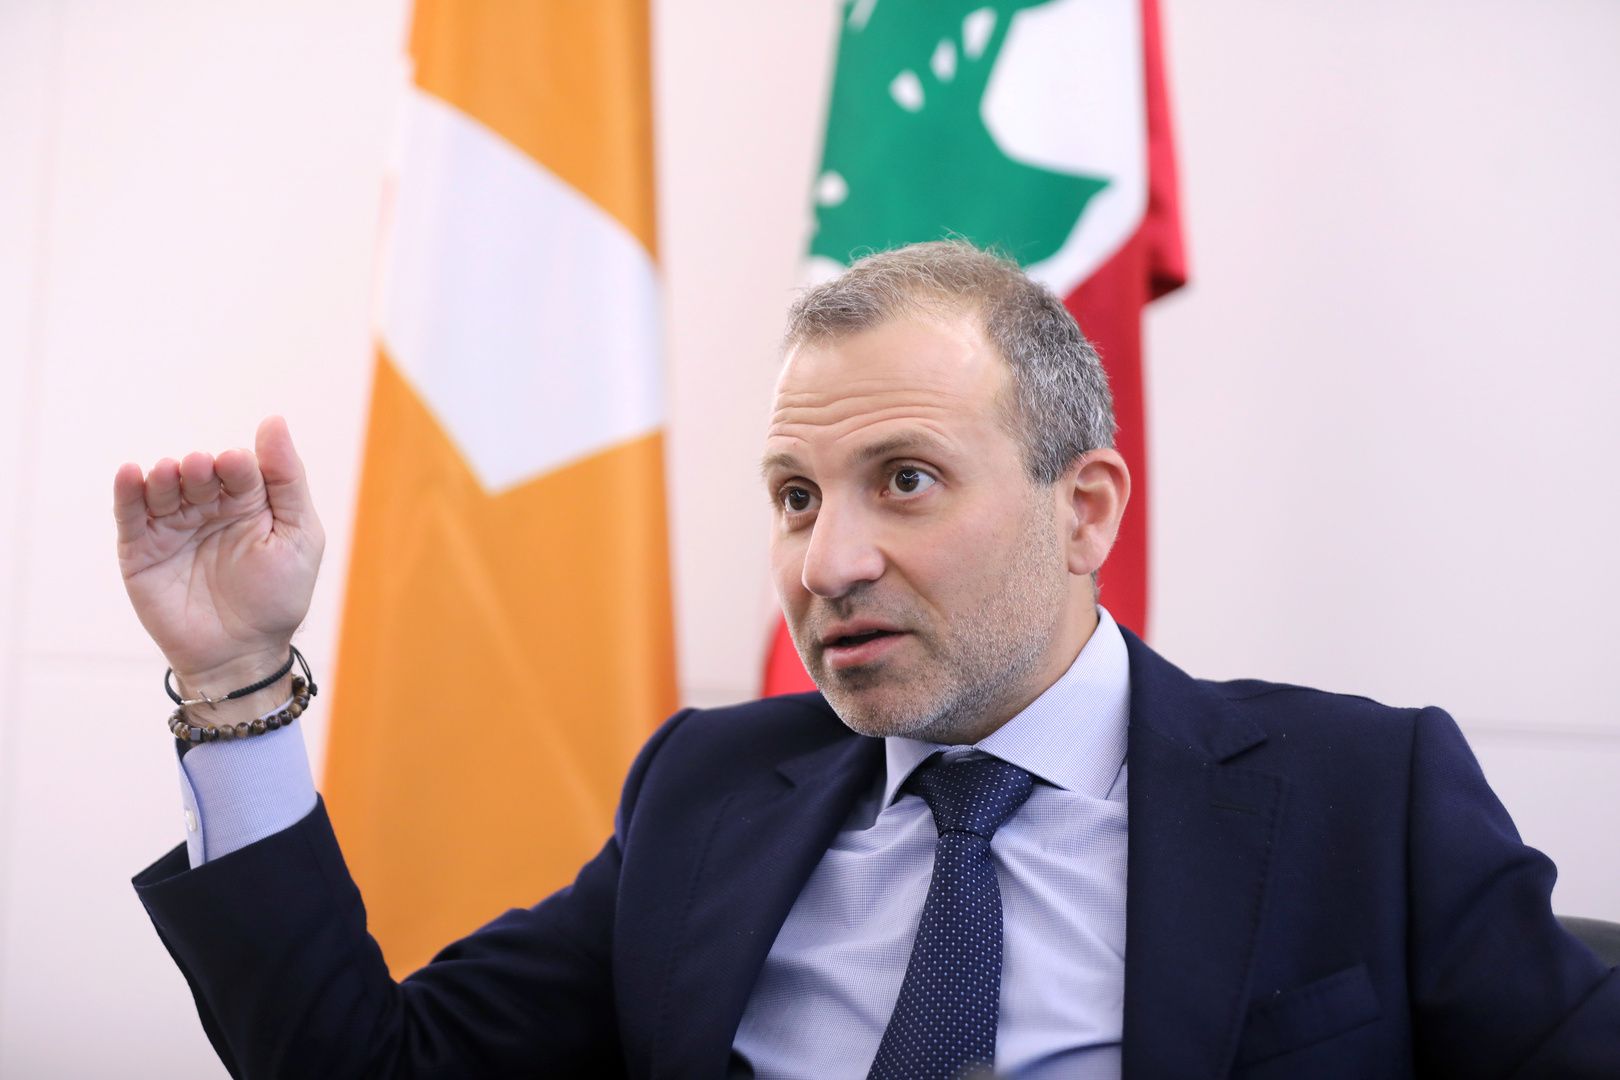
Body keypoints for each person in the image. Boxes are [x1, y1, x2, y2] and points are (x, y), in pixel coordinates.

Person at [117, 242, 1617, 1079]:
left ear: (1085, 508)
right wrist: (237, 680)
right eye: (794, 496)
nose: (825, 563)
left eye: (904, 480)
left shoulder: (1363, 794)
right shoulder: (705, 794)